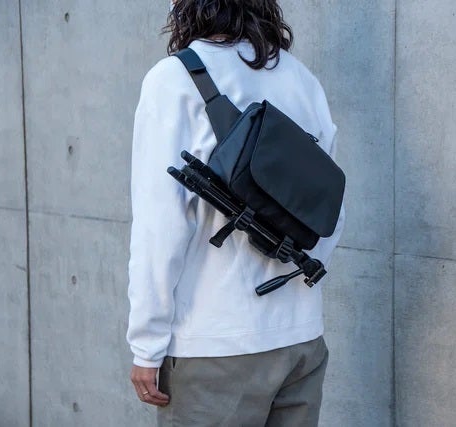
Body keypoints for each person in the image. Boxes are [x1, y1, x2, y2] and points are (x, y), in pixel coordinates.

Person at [126, 0, 345, 425]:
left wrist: (146, 345)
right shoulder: (300, 78)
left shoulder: (174, 79)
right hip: (301, 340)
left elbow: (160, 227)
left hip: (215, 346)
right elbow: (331, 206)